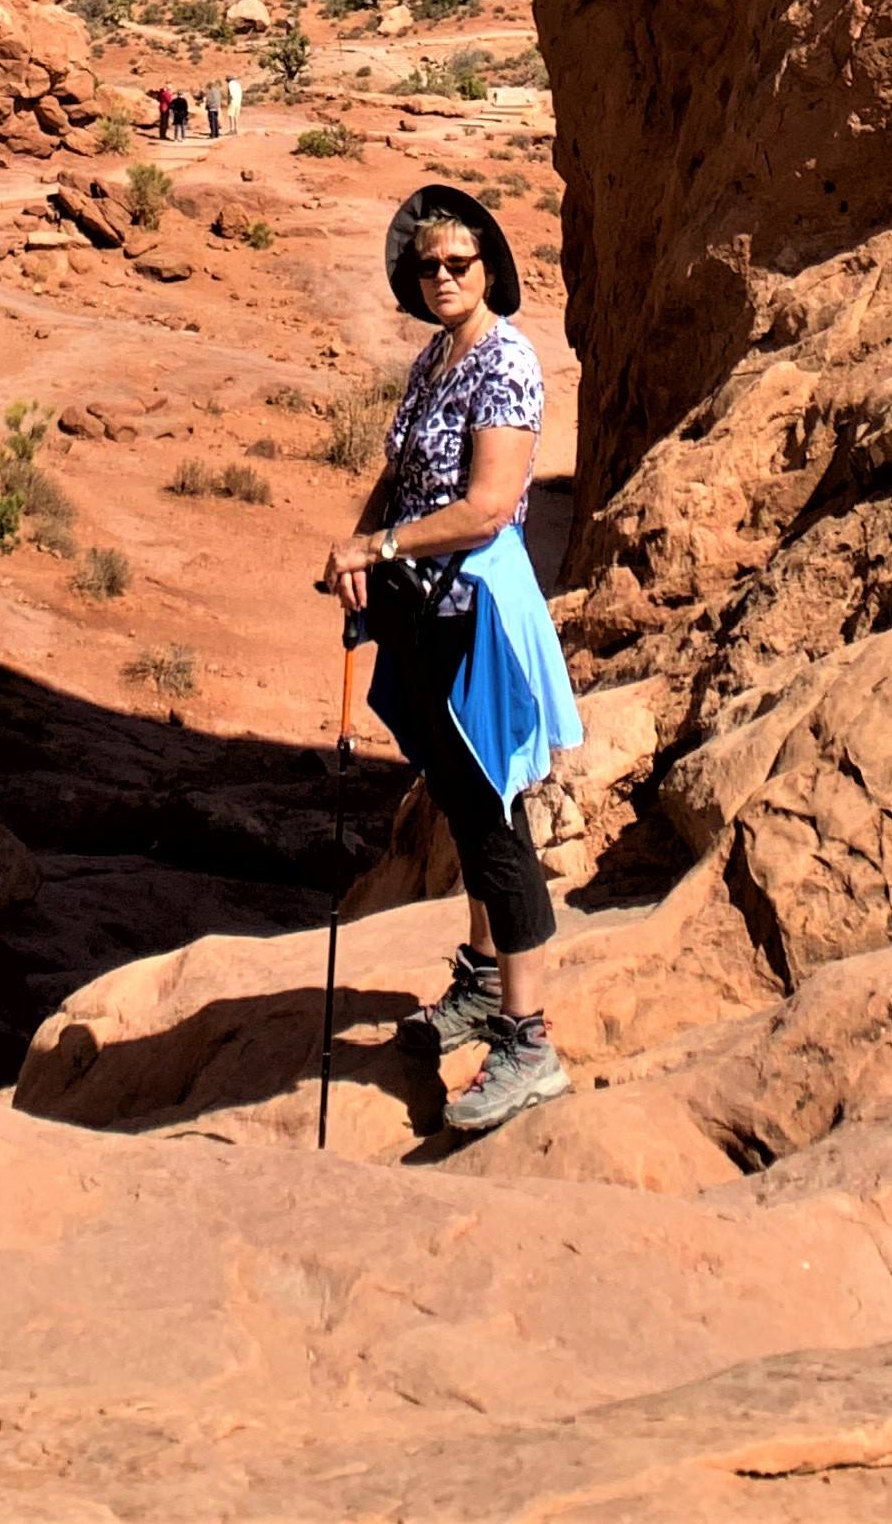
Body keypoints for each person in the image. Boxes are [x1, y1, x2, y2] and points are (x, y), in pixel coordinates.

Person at [324, 184, 583, 1134]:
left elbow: (484, 507)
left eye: (458, 264)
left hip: (478, 615)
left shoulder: (506, 364)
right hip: (424, 610)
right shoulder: (436, 359)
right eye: (426, 264)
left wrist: (382, 550)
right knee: (460, 799)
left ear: (490, 271)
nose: (439, 276)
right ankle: (480, 982)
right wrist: (353, 546)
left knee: (492, 819)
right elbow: (399, 475)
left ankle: (529, 1043)